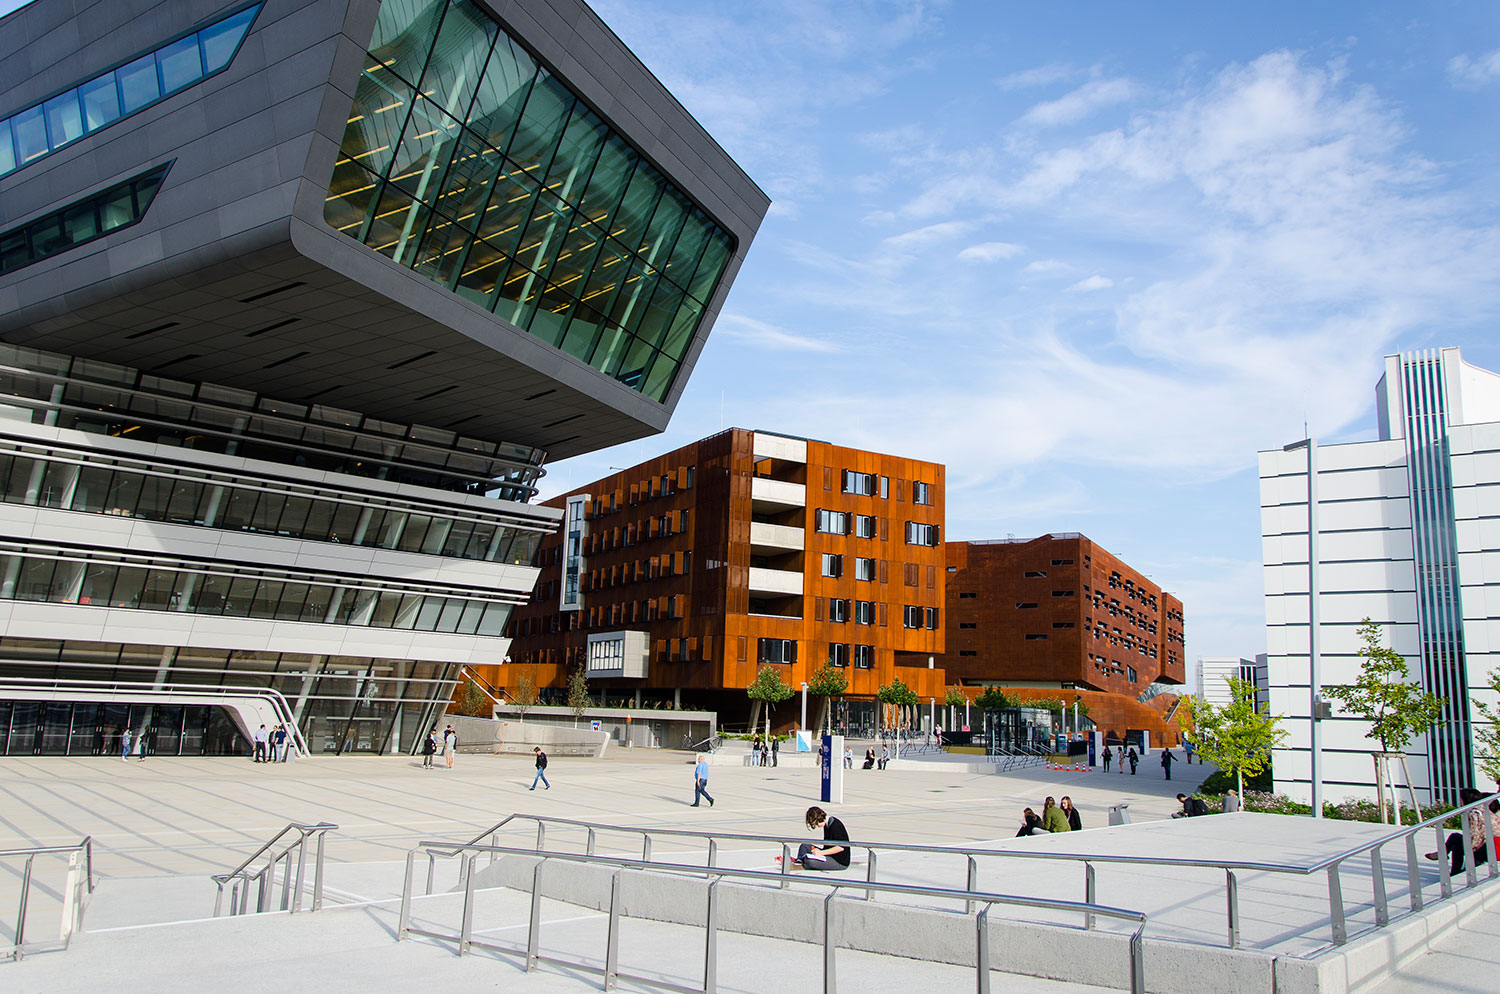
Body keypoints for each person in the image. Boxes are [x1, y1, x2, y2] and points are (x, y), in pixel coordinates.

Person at [1428, 788, 1493, 875]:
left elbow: (1475, 834)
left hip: (1481, 845)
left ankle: (1442, 856)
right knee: (1456, 845)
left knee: (1455, 838)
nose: (1460, 802)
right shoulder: (1483, 809)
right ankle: (1452, 867)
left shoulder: (1473, 814)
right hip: (1485, 844)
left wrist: (1472, 846)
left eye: (1461, 799)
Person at [795, 806, 850, 870]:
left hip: (838, 861)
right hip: (827, 855)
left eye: (816, 823)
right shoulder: (827, 825)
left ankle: (804, 860)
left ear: (820, 818)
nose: (817, 826)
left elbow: (840, 848)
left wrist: (821, 853)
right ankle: (799, 861)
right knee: (804, 846)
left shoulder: (835, 825)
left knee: (810, 861)